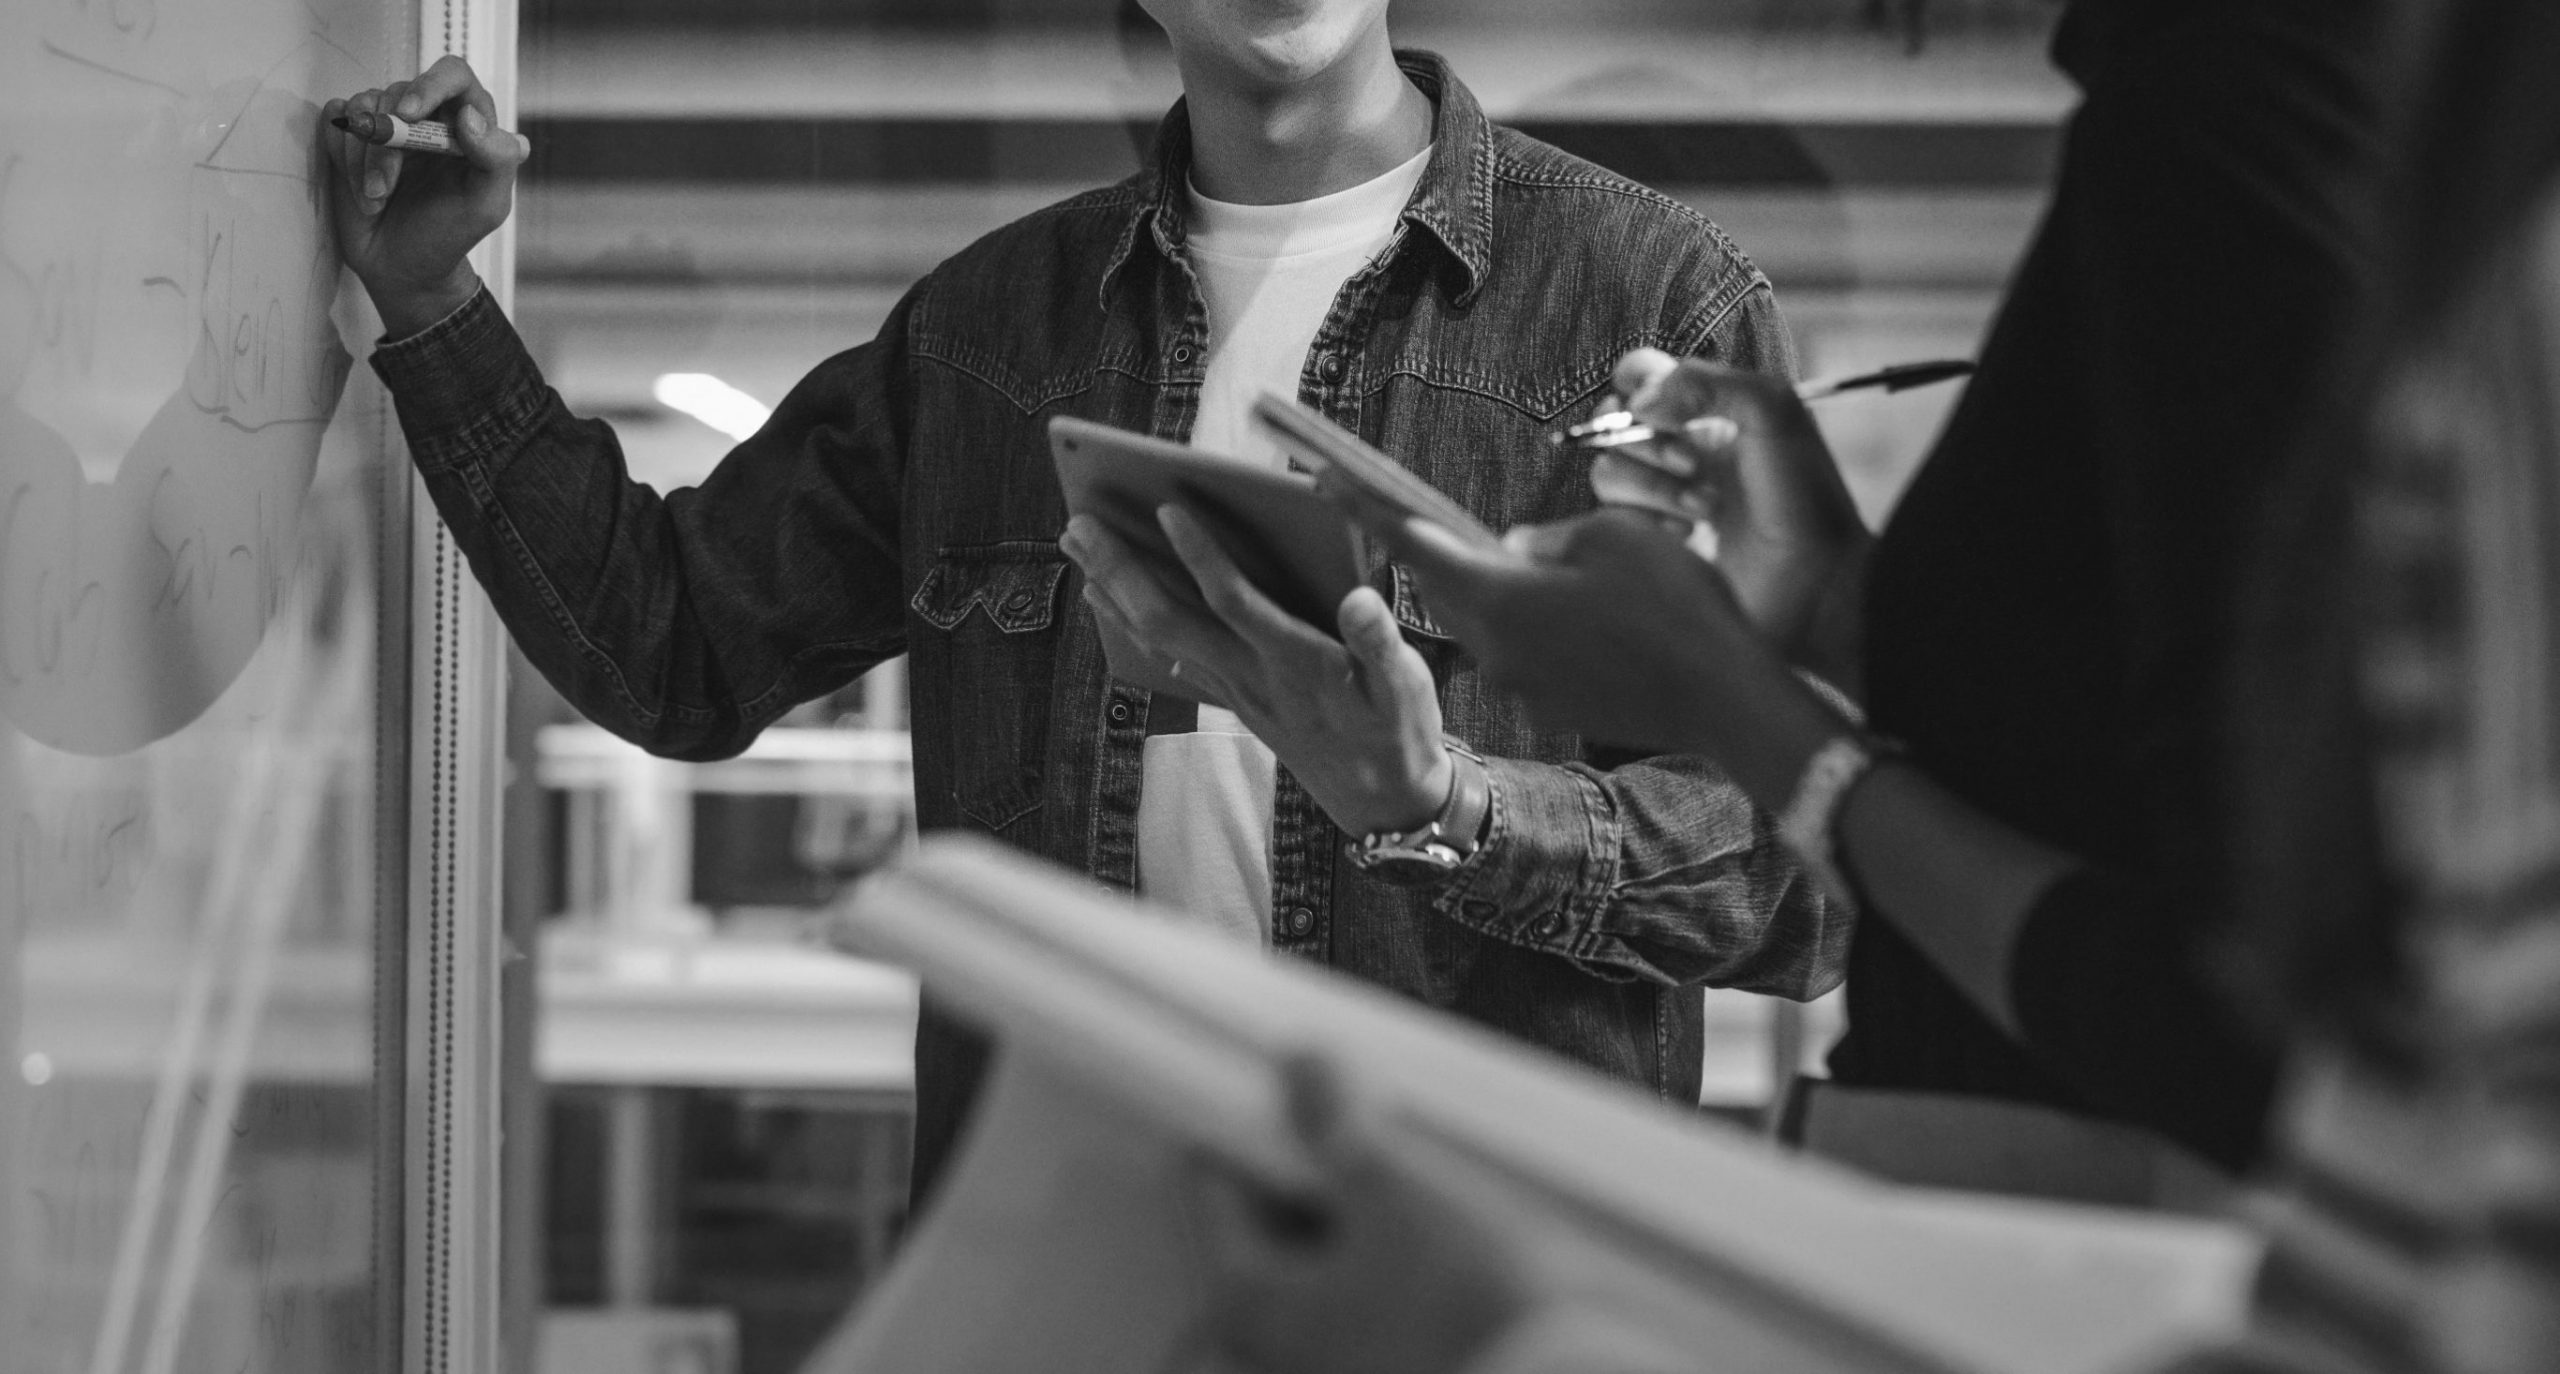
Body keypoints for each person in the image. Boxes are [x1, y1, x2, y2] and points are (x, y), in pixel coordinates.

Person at [319, 0, 1840, 1205]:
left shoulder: (1645, 306)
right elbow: (669, 646)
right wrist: (434, 300)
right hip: (1070, 1257)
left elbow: (1801, 882)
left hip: (1473, 1275)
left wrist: (1452, 806)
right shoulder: (989, 338)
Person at [1342, 0, 2401, 1189]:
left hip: (2069, 1245)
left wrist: (1734, 705)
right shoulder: (2212, 93)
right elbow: (2100, 767)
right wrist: (1834, 605)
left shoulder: (2237, 94)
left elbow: (2235, 1019)